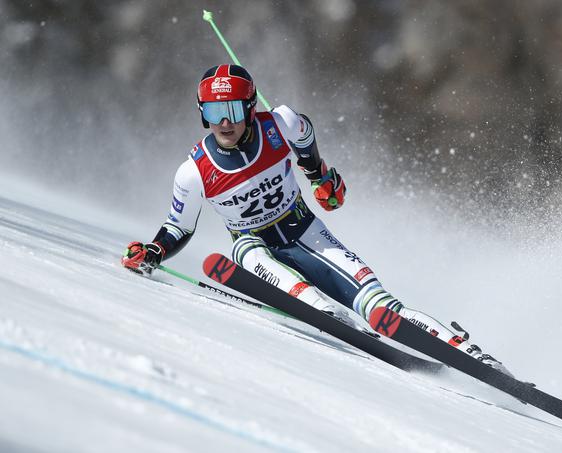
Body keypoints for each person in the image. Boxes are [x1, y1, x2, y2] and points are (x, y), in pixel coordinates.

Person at [122, 64, 511, 376]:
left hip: (306, 231)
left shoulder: (280, 123)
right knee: (273, 271)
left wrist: (322, 177)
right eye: (212, 113)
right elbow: (179, 227)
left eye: (233, 111)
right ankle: (327, 315)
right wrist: (154, 250)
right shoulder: (193, 171)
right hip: (253, 242)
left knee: (379, 308)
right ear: (201, 113)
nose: (224, 123)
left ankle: (474, 356)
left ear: (250, 106)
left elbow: (306, 143)